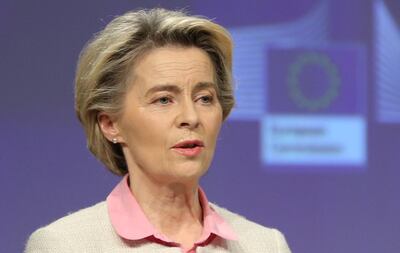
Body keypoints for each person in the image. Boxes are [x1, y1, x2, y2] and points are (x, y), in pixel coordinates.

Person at [25, 8, 291, 253]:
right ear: (110, 124)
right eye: (163, 99)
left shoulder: (265, 244)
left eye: (205, 98)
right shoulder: (64, 245)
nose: (191, 117)